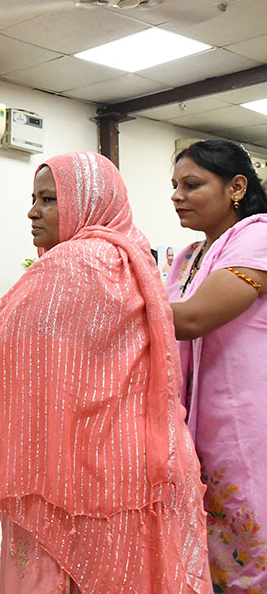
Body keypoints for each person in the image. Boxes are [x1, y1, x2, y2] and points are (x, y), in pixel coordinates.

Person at [0, 152, 211, 593]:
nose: (33, 211)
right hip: (135, 465)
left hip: (77, 480)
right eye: (34, 197)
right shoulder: (129, 256)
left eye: (49, 199)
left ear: (89, 201)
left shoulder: (74, 263)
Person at [166, 140, 267, 592]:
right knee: (207, 546)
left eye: (192, 184)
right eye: (174, 186)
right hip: (195, 426)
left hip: (248, 423)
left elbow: (189, 320)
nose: (176, 196)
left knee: (251, 537)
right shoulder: (189, 257)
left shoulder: (259, 236)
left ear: (236, 187)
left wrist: (103, 305)